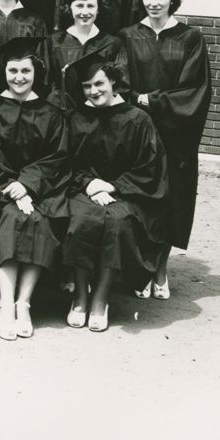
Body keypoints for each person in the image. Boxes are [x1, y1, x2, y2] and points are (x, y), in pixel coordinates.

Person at [119, 0, 212, 298]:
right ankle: (139, 269)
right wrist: (137, 104)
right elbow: (121, 84)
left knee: (170, 202)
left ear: (173, 0)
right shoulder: (128, 36)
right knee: (139, 202)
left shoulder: (190, 39)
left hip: (174, 137)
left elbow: (194, 91)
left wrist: (150, 100)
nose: (154, 2)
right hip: (137, 134)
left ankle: (160, 271)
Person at [64, 51, 168, 333]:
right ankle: (80, 296)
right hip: (82, 189)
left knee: (116, 222)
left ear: (113, 82)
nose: (93, 91)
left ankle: (100, 297)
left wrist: (113, 185)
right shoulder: (76, 118)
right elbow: (66, 162)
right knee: (81, 219)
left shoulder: (137, 119)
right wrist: (89, 184)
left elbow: (150, 168)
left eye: (99, 84)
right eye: (87, 86)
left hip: (127, 194)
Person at [0, 36, 70, 340]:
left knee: (38, 221)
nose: (19, 78)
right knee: (11, 219)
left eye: (25, 71)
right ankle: (5, 303)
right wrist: (13, 186)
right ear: (3, 73)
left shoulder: (51, 113)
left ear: (36, 74)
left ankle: (24, 302)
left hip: (42, 191)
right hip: (0, 189)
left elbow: (57, 157)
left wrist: (29, 185)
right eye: (12, 71)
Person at [47, 0, 128, 110]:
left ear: (98, 9)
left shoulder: (112, 43)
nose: (85, 12)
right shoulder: (54, 42)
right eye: (79, 6)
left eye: (90, 6)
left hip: (99, 117)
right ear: (69, 8)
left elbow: (121, 86)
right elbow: (46, 83)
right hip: (62, 114)